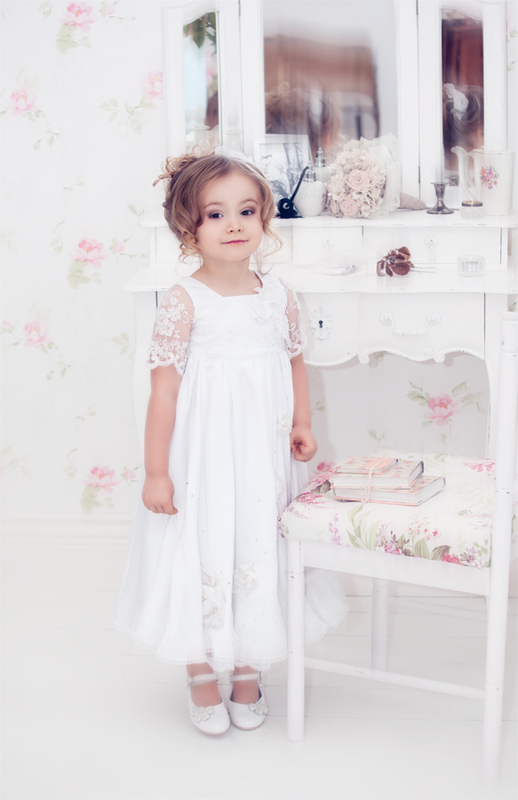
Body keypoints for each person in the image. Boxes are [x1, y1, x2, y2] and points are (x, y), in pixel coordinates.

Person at [113, 151, 348, 735]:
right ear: (187, 228)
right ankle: (199, 666)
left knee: (257, 540)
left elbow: (294, 362)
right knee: (204, 541)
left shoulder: (278, 294)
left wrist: (302, 423)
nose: (234, 225)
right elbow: (163, 392)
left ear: (264, 217)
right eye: (215, 214)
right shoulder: (183, 301)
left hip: (262, 454)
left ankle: (249, 664)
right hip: (204, 456)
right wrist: (157, 471)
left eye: (246, 211)